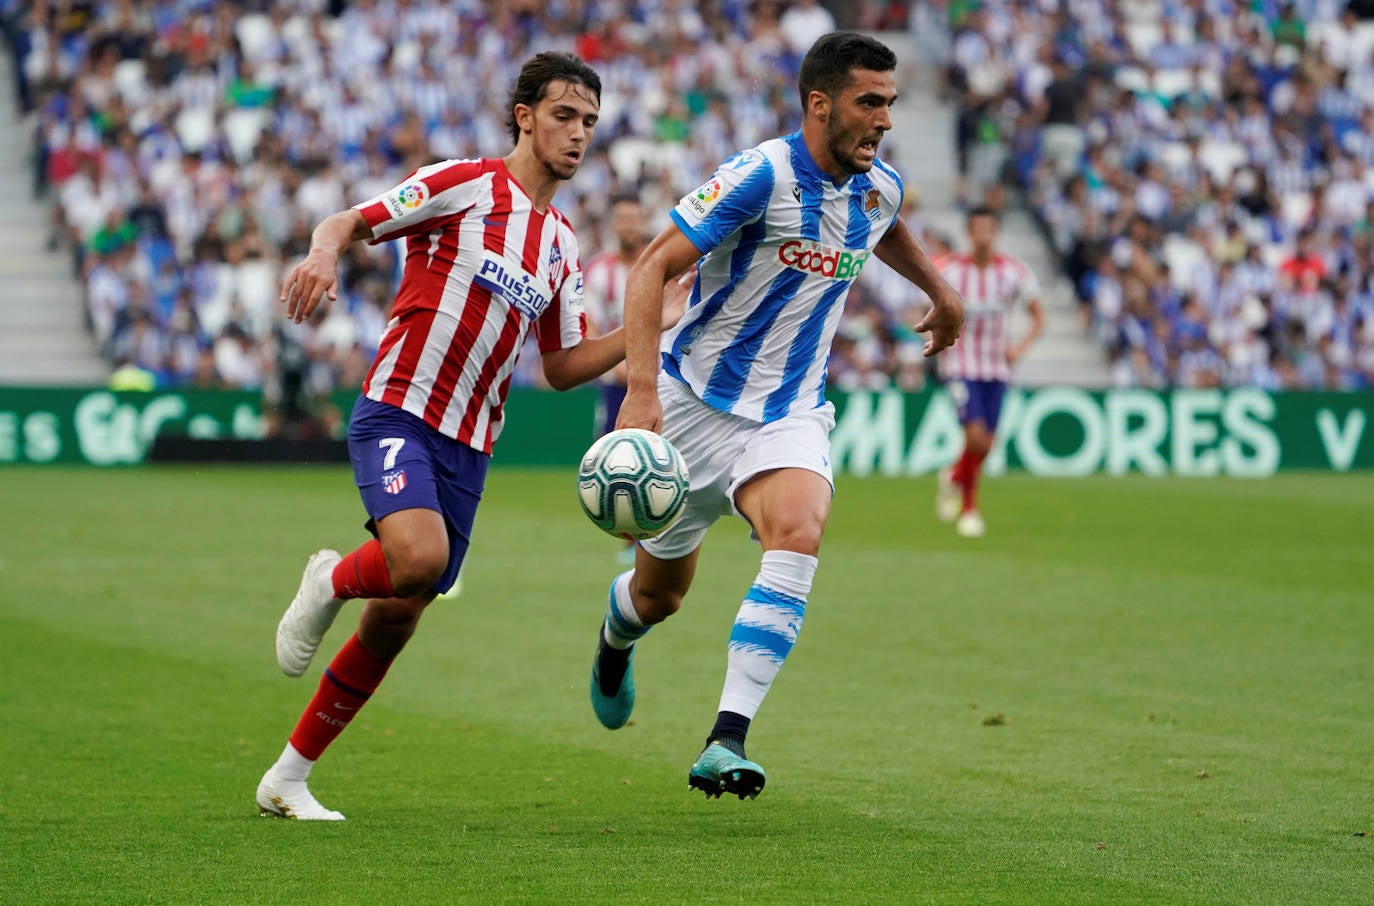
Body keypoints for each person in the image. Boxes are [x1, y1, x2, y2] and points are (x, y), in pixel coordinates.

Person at [254, 52, 685, 821]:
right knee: (418, 560)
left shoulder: (558, 243)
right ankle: (328, 579)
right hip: (399, 408)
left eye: (589, 121)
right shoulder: (465, 184)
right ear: (524, 116)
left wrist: (644, 326)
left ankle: (288, 777)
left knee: (401, 610)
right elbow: (351, 221)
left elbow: (559, 366)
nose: (578, 133)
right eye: (563, 115)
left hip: (471, 445)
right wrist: (323, 252)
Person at [585, 32, 965, 800]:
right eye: (870, 102)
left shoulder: (877, 185)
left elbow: (885, 223)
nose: (884, 119)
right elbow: (652, 265)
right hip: (692, 405)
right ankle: (614, 639)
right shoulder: (760, 176)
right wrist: (642, 389)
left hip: (788, 412)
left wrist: (942, 292)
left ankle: (727, 739)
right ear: (819, 103)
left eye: (890, 103)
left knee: (798, 530)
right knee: (659, 598)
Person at [934, 206, 1045, 538]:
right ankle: (970, 509)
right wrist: (934, 335)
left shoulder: (1013, 273)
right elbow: (929, 305)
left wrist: (1019, 348)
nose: (983, 236)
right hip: (960, 364)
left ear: (995, 233)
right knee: (974, 437)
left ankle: (954, 476)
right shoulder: (950, 270)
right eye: (977, 229)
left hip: (997, 366)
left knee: (986, 445)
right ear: (969, 233)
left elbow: (1039, 316)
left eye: (989, 229)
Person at [583, 193, 651, 564]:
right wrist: (617, 365)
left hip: (655, 381)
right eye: (622, 218)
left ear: (643, 221)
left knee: (658, 456)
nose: (628, 225)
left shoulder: (658, 265)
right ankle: (630, 539)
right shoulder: (598, 272)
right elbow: (590, 323)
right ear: (613, 224)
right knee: (617, 461)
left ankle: (655, 539)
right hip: (615, 381)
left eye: (634, 218)